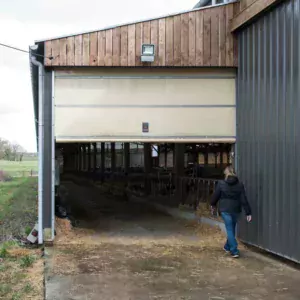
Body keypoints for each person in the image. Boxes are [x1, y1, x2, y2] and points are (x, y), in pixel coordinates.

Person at [210, 166, 252, 258]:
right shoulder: (240, 185)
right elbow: (243, 199)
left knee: (229, 229)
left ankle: (234, 250)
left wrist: (212, 204)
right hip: (236, 209)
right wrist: (248, 212)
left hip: (225, 209)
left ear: (226, 174)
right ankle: (227, 246)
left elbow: (215, 195)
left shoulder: (221, 183)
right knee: (231, 228)